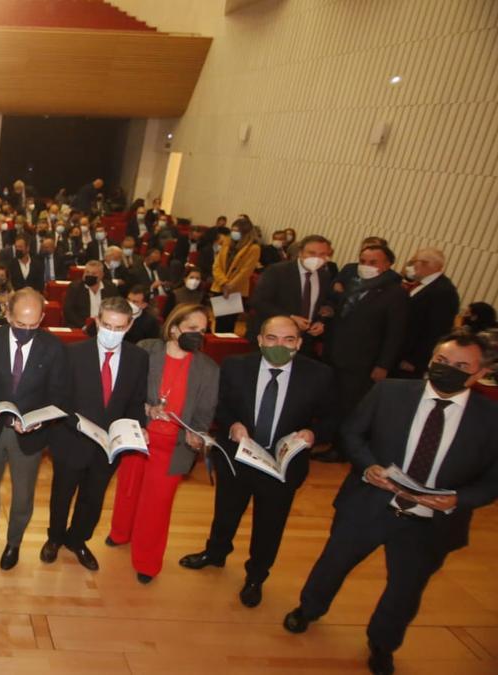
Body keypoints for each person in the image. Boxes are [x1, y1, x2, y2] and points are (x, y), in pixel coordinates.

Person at [283, 331, 498, 675]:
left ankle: (382, 644)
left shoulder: (490, 418)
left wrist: (460, 499)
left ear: (478, 373)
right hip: (370, 503)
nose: (447, 369)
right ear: (430, 360)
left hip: (431, 520)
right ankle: (308, 609)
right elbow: (352, 433)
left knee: (405, 591)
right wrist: (367, 467)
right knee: (333, 563)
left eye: (460, 366)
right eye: (441, 361)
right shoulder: (390, 392)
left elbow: (493, 479)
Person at [180, 315, 336, 605]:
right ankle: (215, 553)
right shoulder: (236, 366)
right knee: (225, 512)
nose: (281, 345)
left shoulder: (319, 375)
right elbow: (221, 405)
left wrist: (313, 433)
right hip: (237, 458)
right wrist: (232, 424)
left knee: (270, 524)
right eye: (273, 339)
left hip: (281, 466)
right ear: (261, 340)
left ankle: (256, 575)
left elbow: (333, 418)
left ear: (299, 343)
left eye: (289, 340)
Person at [107, 304, 218, 583]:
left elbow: (204, 415)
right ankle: (121, 533)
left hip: (173, 446)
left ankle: (146, 562)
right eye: (192, 328)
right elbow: (127, 390)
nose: (198, 335)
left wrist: (198, 436)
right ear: (174, 328)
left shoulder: (208, 368)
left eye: (203, 331)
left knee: (156, 504)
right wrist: (146, 408)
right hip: (138, 434)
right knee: (128, 488)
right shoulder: (146, 349)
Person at [43, 296, 148, 571]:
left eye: (119, 328)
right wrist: (75, 423)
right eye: (108, 325)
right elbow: (58, 397)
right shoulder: (73, 353)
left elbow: (136, 401)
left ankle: (78, 540)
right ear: (98, 321)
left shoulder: (138, 358)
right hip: (72, 439)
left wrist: (139, 430)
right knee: (62, 494)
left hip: (108, 447)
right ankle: (54, 538)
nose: (112, 333)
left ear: (129, 327)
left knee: (93, 497)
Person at [0, 288, 67, 569]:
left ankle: (14, 542)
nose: (26, 330)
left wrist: (39, 419)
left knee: (23, 494)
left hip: (30, 434)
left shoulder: (53, 347)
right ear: (8, 314)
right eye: (20, 324)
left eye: (33, 325)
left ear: (42, 318)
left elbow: (58, 395)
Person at [315, 244, 408, 463]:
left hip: (363, 362)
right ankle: (327, 437)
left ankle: (342, 449)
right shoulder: (354, 284)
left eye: (373, 262)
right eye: (363, 261)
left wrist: (383, 365)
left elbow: (395, 334)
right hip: (336, 353)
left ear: (387, 265)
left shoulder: (395, 293)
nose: (366, 266)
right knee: (333, 402)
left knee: (350, 407)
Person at [246, 235, 333, 346]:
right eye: (311, 253)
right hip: (272, 337)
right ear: (300, 253)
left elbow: (323, 303)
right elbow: (258, 302)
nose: (316, 258)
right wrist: (290, 318)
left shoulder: (324, 275)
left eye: (322, 254)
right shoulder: (277, 271)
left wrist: (320, 322)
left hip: (303, 340)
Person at [397, 248, 460, 378]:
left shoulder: (444, 291)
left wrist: (415, 360)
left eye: (414, 262)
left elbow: (437, 330)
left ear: (426, 264)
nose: (412, 265)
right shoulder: (424, 285)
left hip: (410, 360)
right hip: (400, 352)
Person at [211, 217, 262, 334]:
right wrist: (223, 283)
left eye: (237, 231)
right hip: (220, 286)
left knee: (228, 323)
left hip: (236, 289)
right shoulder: (226, 243)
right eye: (233, 230)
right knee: (219, 321)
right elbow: (216, 265)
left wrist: (229, 286)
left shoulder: (254, 248)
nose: (234, 233)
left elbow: (245, 271)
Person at [63, 260, 118, 328]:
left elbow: (116, 308)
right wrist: (83, 326)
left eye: (94, 273)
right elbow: (68, 310)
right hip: (81, 326)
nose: (90, 275)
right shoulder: (75, 287)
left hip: (105, 325)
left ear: (102, 275)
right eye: (87, 272)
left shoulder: (111, 288)